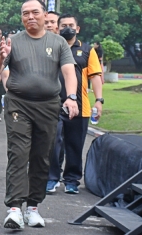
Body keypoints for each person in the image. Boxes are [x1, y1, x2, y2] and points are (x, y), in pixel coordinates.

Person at [0, 0, 78, 230]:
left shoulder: (58, 42)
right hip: (19, 104)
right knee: (18, 153)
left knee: (42, 156)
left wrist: (71, 96)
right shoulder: (13, 41)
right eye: (25, 13)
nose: (30, 17)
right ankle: (15, 208)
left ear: (44, 15)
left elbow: (68, 72)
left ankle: (33, 207)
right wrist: (1, 55)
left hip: (48, 105)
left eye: (34, 12)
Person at [47, 14, 103, 194]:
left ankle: (72, 180)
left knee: (75, 144)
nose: (67, 28)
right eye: (63, 25)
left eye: (71, 25)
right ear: (57, 28)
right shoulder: (51, 48)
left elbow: (95, 77)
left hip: (80, 106)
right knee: (52, 143)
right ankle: (52, 178)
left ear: (77, 29)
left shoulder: (87, 50)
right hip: (53, 104)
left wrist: (99, 101)